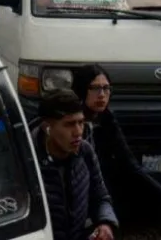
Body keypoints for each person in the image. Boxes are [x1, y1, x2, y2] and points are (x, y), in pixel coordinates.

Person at [71, 66, 161, 224]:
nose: (101, 95)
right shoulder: (72, 122)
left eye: (106, 88)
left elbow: (129, 164)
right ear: (82, 90)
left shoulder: (107, 119)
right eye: (94, 88)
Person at [34, 90, 119, 240]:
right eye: (69, 124)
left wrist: (105, 223)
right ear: (47, 127)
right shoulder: (28, 160)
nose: (78, 132)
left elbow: (100, 196)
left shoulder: (85, 151)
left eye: (81, 122)